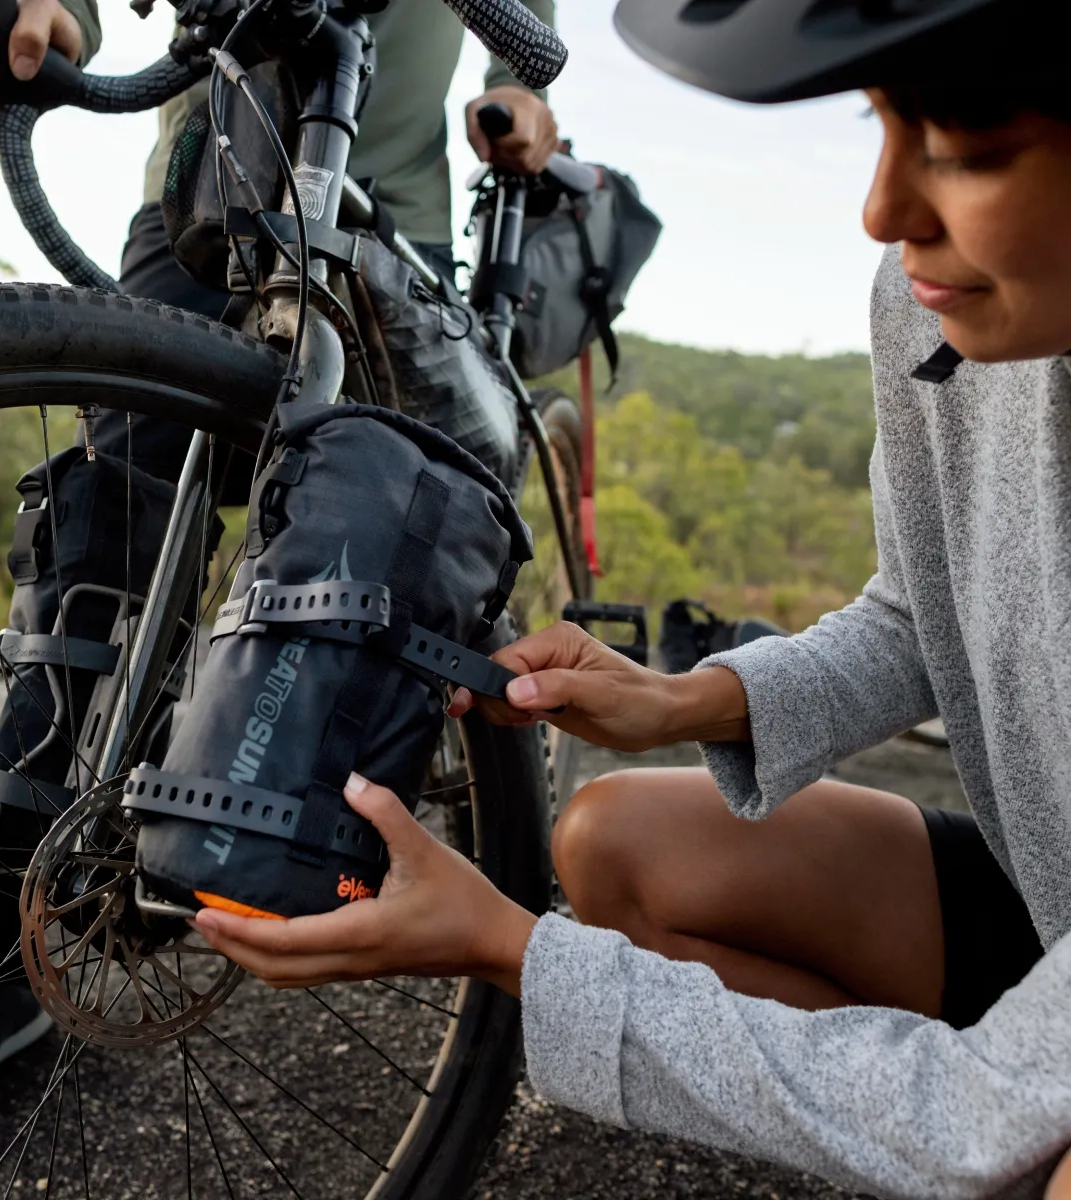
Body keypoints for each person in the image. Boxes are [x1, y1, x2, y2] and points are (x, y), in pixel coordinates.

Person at [186, 2, 1071, 1197]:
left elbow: (978, 1110)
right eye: (880, 124)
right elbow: (921, 615)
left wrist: (509, 949)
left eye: (964, 145)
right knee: (616, 843)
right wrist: (679, 702)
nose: (883, 209)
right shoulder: (931, 302)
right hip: (1045, 905)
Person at [0, 0, 558, 1157]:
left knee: (404, 536)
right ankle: (2, 955)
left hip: (385, 205)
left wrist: (520, 83)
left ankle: (458, 814)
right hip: (205, 176)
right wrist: (46, 20)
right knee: (112, 503)